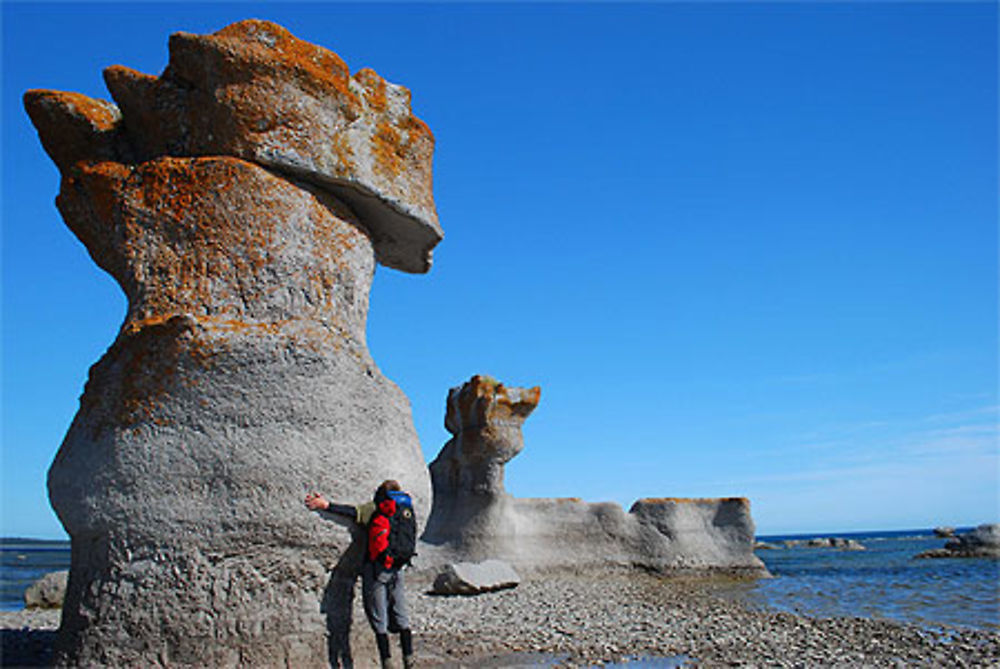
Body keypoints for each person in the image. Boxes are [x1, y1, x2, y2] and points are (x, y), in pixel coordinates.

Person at [306, 480, 414, 669]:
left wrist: (326, 505)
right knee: (402, 617)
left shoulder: (376, 508)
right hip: (398, 569)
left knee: (379, 619)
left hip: (378, 570)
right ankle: (409, 660)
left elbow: (352, 512)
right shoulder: (405, 509)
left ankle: (387, 663)